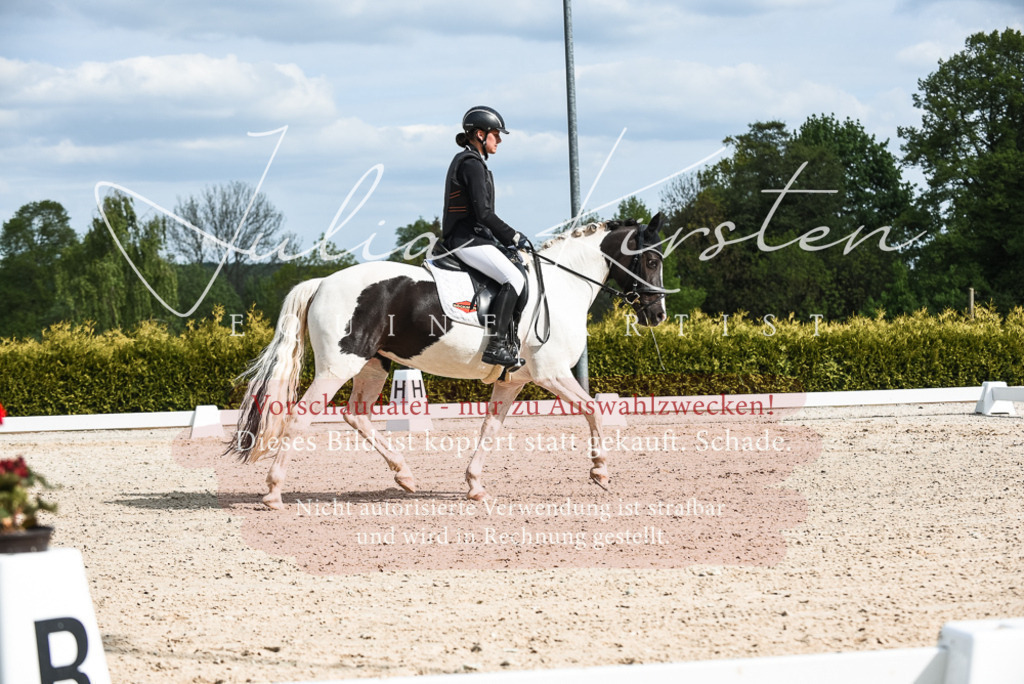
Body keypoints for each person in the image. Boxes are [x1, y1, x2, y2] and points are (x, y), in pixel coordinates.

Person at [440, 105, 532, 368]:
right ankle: (495, 346)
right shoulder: (471, 163)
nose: (500, 140)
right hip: (466, 239)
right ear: (480, 134)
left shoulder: (472, 161)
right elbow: (483, 214)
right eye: (496, 134)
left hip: (474, 237)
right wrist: (513, 237)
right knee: (513, 278)